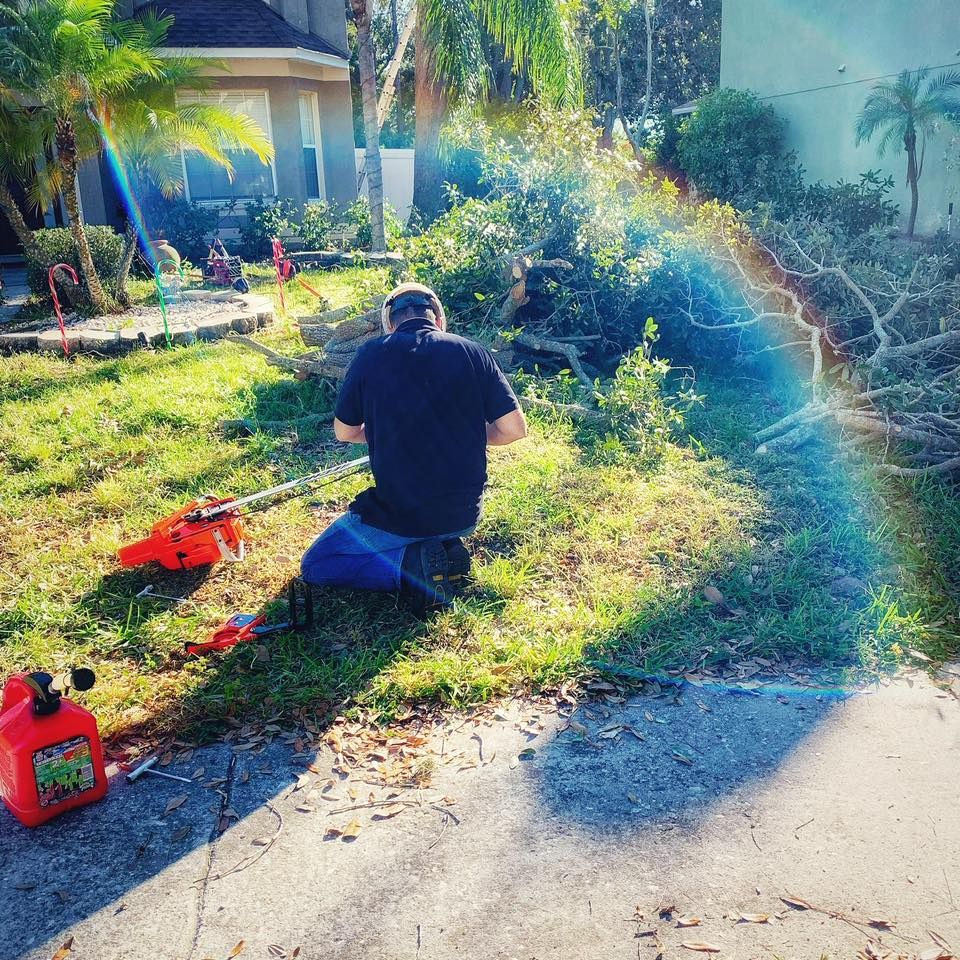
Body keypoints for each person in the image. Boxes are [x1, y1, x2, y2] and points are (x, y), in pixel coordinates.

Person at [301, 282, 527, 609]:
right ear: (438, 318)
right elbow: (515, 429)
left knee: (316, 564)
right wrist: (471, 434)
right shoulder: (473, 351)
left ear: (389, 323)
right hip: (463, 515)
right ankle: (443, 548)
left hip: (401, 513)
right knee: (432, 526)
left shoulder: (370, 354)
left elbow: (345, 433)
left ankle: (412, 565)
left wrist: (381, 431)